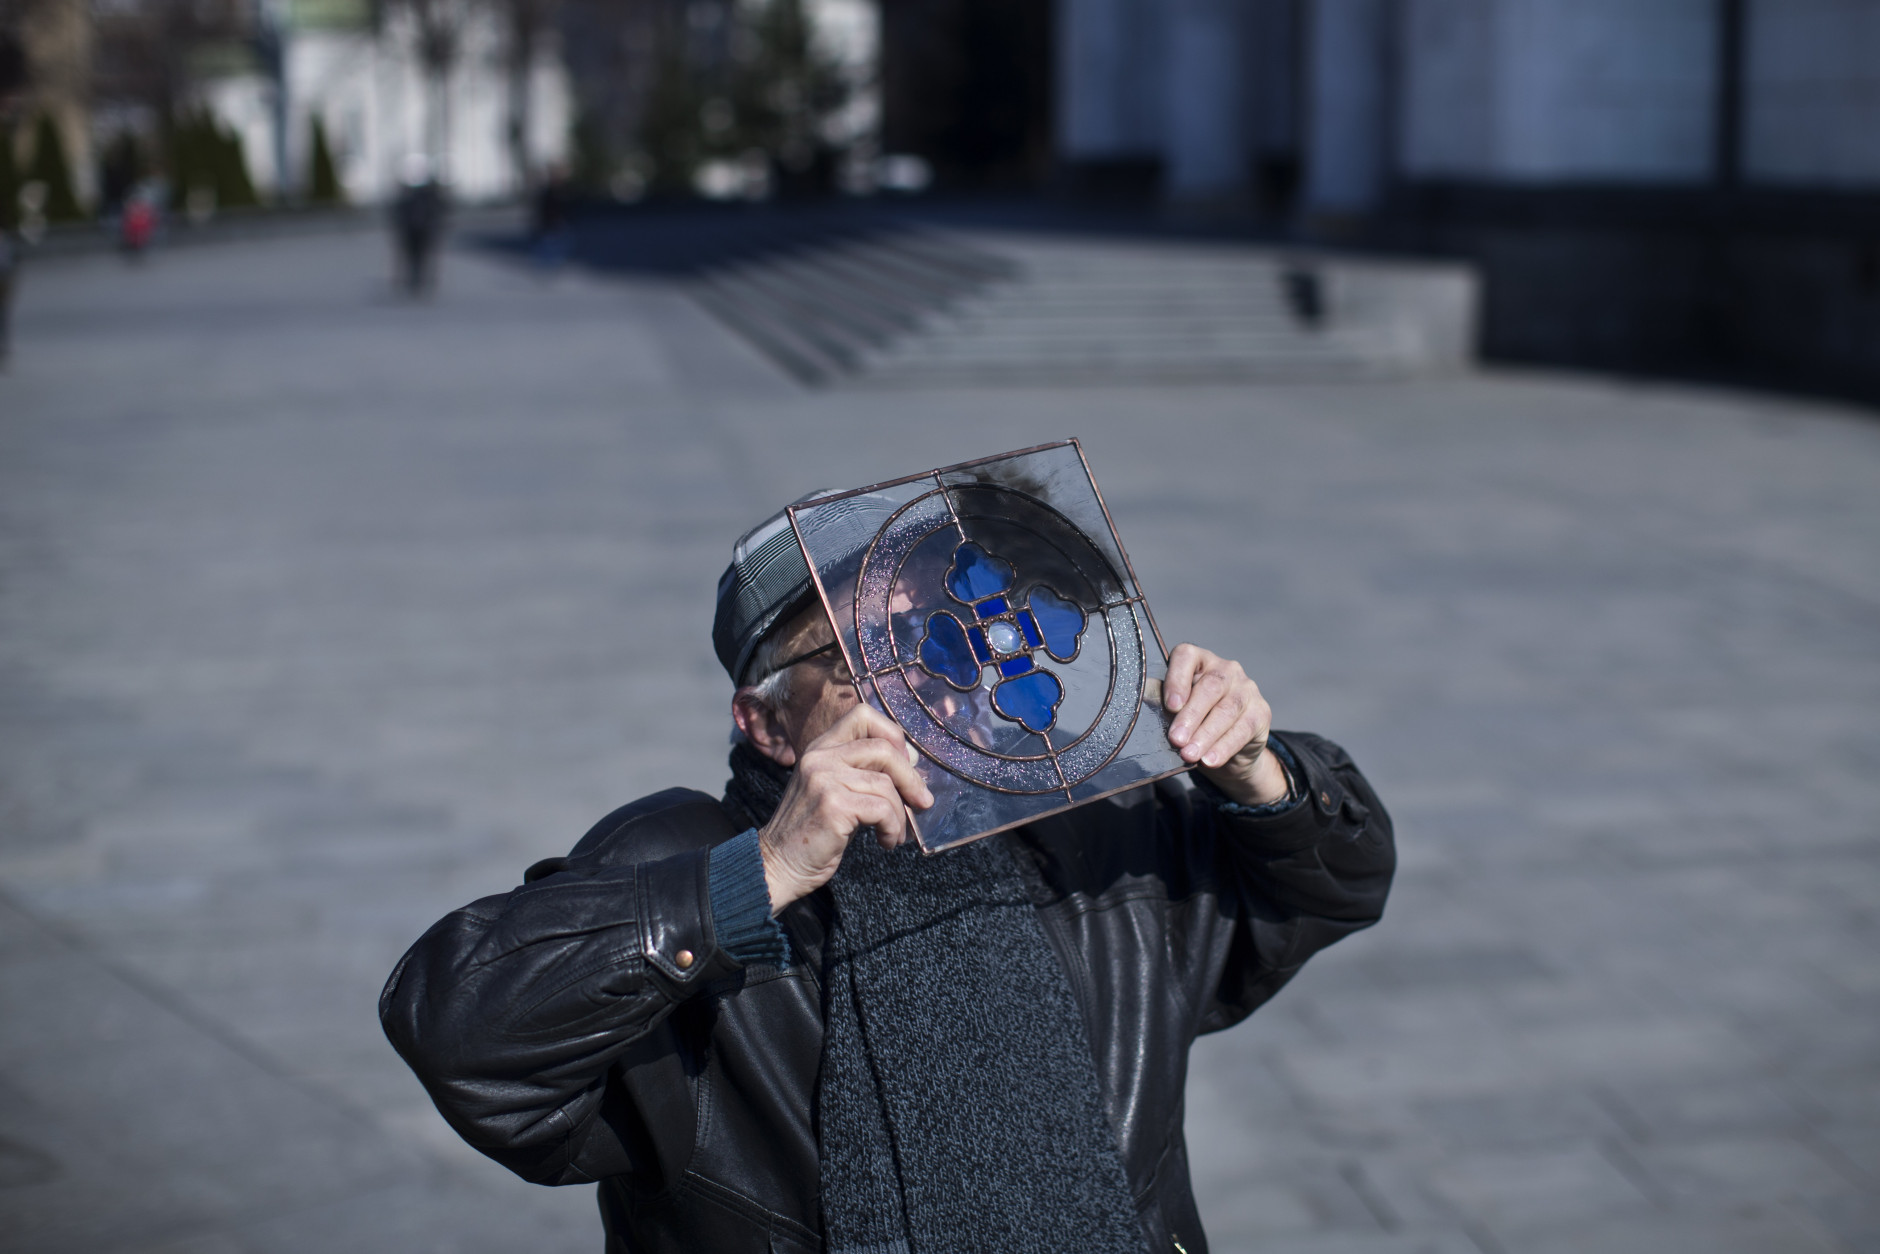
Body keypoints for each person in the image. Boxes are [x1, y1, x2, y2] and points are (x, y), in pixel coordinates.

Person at [381, 496, 1395, 1254]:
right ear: (764, 721)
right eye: (861, 653)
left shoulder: (1084, 824)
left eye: (936, 631)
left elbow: (1334, 885)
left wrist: (1256, 773)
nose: (924, 683)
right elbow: (455, 1027)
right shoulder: (679, 858)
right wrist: (760, 876)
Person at [391, 154, 446, 296]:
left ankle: (420, 280)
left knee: (421, 257)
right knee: (413, 257)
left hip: (422, 230)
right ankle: (414, 280)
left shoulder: (425, 195)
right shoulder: (409, 195)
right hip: (412, 230)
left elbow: (437, 210)